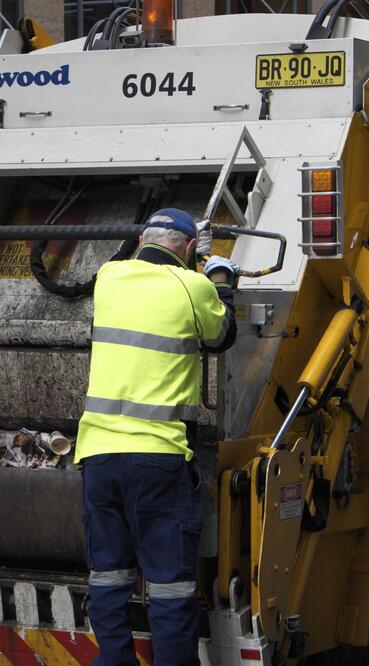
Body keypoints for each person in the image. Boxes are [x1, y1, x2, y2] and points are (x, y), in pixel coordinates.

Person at [75, 208, 238, 665]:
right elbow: (221, 333)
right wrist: (220, 278)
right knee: (170, 586)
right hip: (157, 459)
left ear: (144, 238)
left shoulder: (108, 277)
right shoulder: (194, 286)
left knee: (108, 576)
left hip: (99, 457)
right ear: (188, 248)